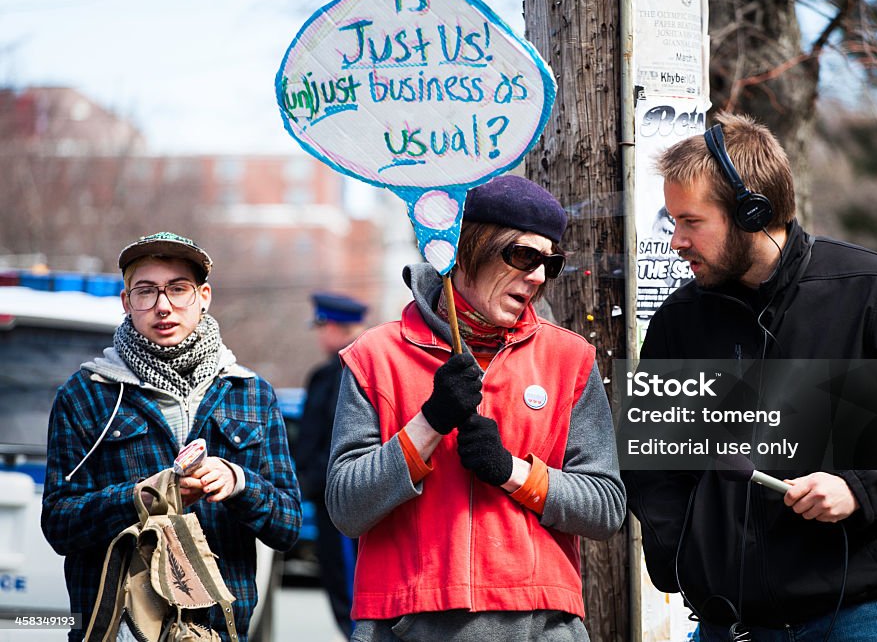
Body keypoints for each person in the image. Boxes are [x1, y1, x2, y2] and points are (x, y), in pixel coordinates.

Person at [625, 113, 877, 641]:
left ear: (751, 213)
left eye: (690, 221)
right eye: (672, 221)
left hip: (865, 617)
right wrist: (688, 557)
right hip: (732, 624)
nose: (676, 240)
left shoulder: (875, 291)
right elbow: (652, 462)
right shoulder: (680, 321)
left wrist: (860, 490)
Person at [326, 175, 626, 641]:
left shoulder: (569, 360)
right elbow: (346, 506)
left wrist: (512, 472)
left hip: (539, 627)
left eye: (551, 262)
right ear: (469, 245)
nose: (539, 276)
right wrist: (429, 423)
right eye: (525, 255)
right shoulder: (374, 357)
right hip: (406, 625)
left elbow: (606, 508)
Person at [42, 231, 301, 642]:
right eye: (146, 292)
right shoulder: (86, 393)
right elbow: (58, 524)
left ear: (204, 296)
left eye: (178, 289)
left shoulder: (250, 393)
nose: (163, 306)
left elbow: (287, 526)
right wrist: (145, 497)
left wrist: (238, 483)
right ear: (127, 302)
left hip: (218, 629)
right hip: (117, 627)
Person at [293, 292, 367, 639]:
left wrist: (311, 482)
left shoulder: (350, 370)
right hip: (327, 499)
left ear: (336, 327)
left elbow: (342, 441)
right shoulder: (329, 372)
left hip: (339, 500)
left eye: (322, 326)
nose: (320, 335)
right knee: (340, 586)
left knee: (350, 589)